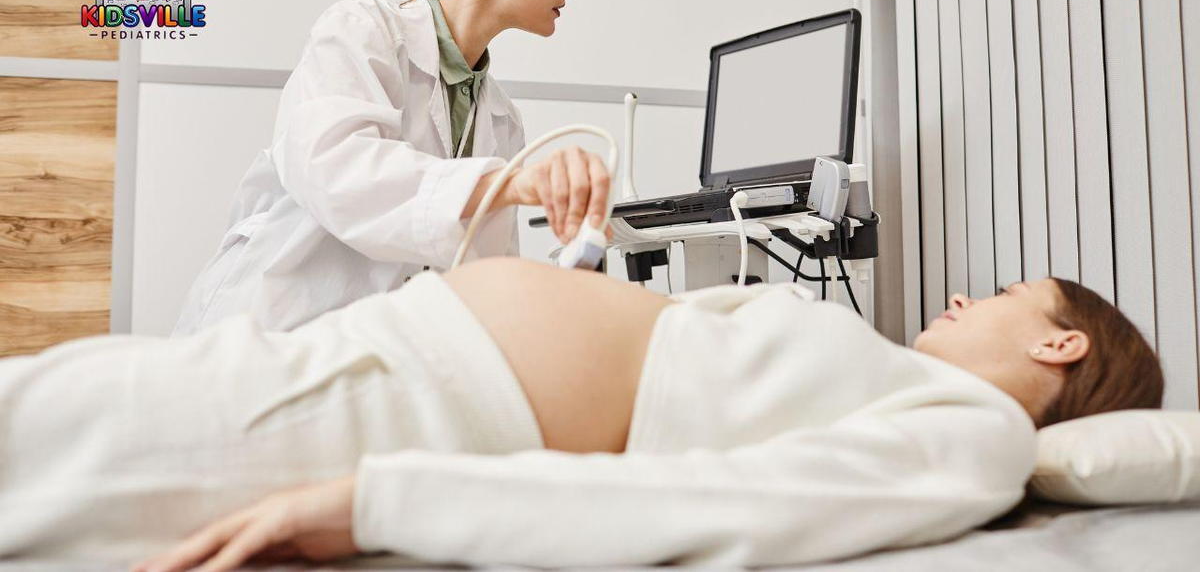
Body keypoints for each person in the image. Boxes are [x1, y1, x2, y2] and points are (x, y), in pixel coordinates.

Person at [0, 258, 1161, 568]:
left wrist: (378, 502)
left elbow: (716, 501)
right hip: (380, 371)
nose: (966, 298)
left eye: (1004, 295)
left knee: (44, 432)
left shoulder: (984, 436)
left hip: (387, 417)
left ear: (1060, 344)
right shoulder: (913, 394)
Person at [172, 0, 607, 335]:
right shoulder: (361, 33)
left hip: (361, 362)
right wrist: (510, 184)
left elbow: (479, 284)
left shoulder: (501, 120)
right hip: (263, 336)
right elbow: (339, 175)